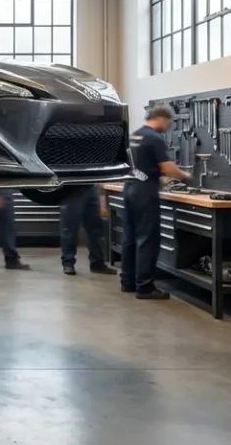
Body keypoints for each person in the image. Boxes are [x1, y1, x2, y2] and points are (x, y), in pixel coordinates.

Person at [122, 104, 190, 299]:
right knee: (147, 238)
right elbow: (169, 168)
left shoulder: (135, 135)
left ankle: (127, 281)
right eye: (169, 122)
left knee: (130, 237)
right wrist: (184, 175)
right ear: (162, 119)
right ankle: (144, 287)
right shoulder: (154, 138)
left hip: (130, 187)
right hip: (145, 192)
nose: (169, 126)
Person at [59, 185, 115, 276]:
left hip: (92, 187)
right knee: (70, 228)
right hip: (72, 189)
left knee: (96, 228)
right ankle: (68, 263)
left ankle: (97, 263)